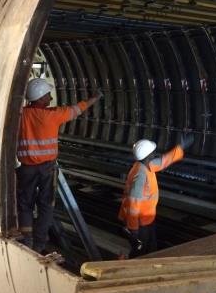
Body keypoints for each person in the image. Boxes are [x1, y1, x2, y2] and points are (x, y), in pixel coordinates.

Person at [16, 78, 103, 253]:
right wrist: (95, 97)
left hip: (26, 169)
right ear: (40, 98)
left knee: (25, 204)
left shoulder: (21, 115)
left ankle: (27, 239)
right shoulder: (53, 115)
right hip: (47, 169)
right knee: (46, 205)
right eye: (48, 95)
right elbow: (77, 110)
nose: (50, 97)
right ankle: (40, 242)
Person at [119, 135, 194, 258]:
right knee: (140, 250)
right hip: (139, 222)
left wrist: (180, 148)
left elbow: (164, 161)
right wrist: (133, 228)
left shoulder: (146, 165)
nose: (155, 154)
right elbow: (133, 204)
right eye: (153, 153)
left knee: (151, 247)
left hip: (147, 218)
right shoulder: (141, 175)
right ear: (147, 156)